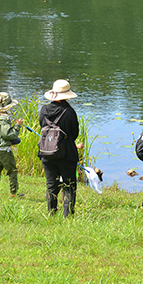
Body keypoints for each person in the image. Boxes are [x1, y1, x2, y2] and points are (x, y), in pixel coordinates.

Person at [38, 79, 83, 217]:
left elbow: (41, 126)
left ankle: (51, 214)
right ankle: (67, 215)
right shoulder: (69, 111)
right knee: (69, 186)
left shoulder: (44, 110)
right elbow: (74, 133)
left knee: (51, 185)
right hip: (67, 154)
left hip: (46, 152)